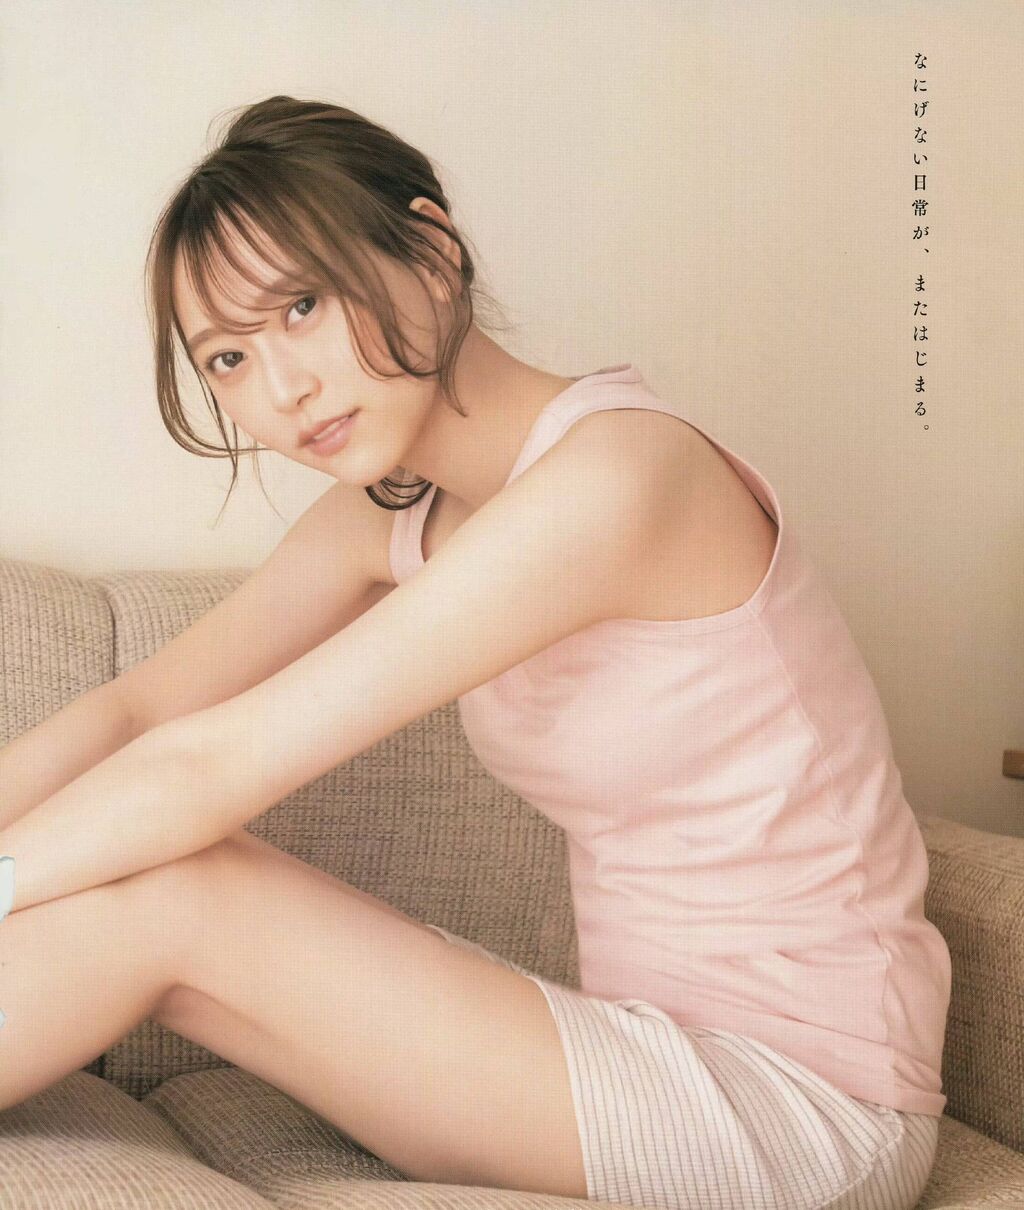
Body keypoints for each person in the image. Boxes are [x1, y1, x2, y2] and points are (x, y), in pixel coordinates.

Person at [0, 96, 949, 1210]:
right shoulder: (391, 517)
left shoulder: (623, 476)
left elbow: (209, 764)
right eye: (229, 357)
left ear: (432, 253)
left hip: (812, 1108)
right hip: (631, 1047)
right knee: (150, 878)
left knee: (178, 889)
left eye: (302, 305)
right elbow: (138, 713)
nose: (283, 389)